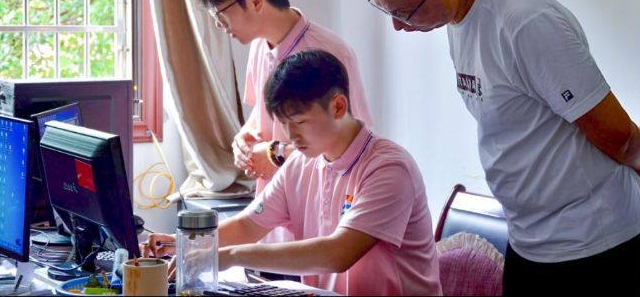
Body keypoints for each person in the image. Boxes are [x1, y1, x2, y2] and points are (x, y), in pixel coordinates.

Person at [365, 0, 640, 294]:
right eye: (387, 11)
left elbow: (620, 136)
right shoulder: (457, 19)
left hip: (591, 244)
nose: (399, 27)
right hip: (529, 241)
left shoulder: (526, 22)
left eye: (405, 13)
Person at [146, 50, 442, 296]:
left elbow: (337, 254)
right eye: (284, 124)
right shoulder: (300, 164)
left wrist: (229, 256)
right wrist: (180, 244)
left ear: (338, 106)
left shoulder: (388, 168)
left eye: (299, 122)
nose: (290, 136)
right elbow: (249, 226)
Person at [196, 0, 372, 246]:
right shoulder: (259, 47)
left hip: (320, 220)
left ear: (255, 1)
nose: (219, 26)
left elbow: (355, 146)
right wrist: (244, 139)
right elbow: (262, 116)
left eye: (220, 14)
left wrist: (277, 154)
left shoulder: (330, 53)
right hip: (270, 217)